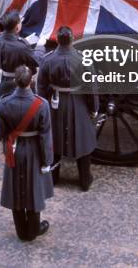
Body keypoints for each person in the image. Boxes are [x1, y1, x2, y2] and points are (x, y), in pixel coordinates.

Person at [0, 65, 53, 241]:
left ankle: (21, 230)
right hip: (34, 149)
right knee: (34, 188)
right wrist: (47, 161)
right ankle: (33, 229)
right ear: (31, 81)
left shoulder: (4, 102)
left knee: (15, 188)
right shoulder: (41, 105)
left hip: (13, 148)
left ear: (15, 81)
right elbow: (45, 137)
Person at [37, 26, 98, 191]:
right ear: (72, 39)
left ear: (58, 39)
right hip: (78, 103)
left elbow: (41, 87)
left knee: (54, 141)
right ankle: (85, 179)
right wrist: (94, 109)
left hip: (55, 105)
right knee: (83, 141)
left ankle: (53, 178)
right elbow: (90, 88)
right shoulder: (83, 59)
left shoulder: (48, 59)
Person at [0, 10, 41, 106]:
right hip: (19, 82)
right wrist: (39, 48)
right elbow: (36, 61)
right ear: (17, 27)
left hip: (1, 79)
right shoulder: (21, 46)